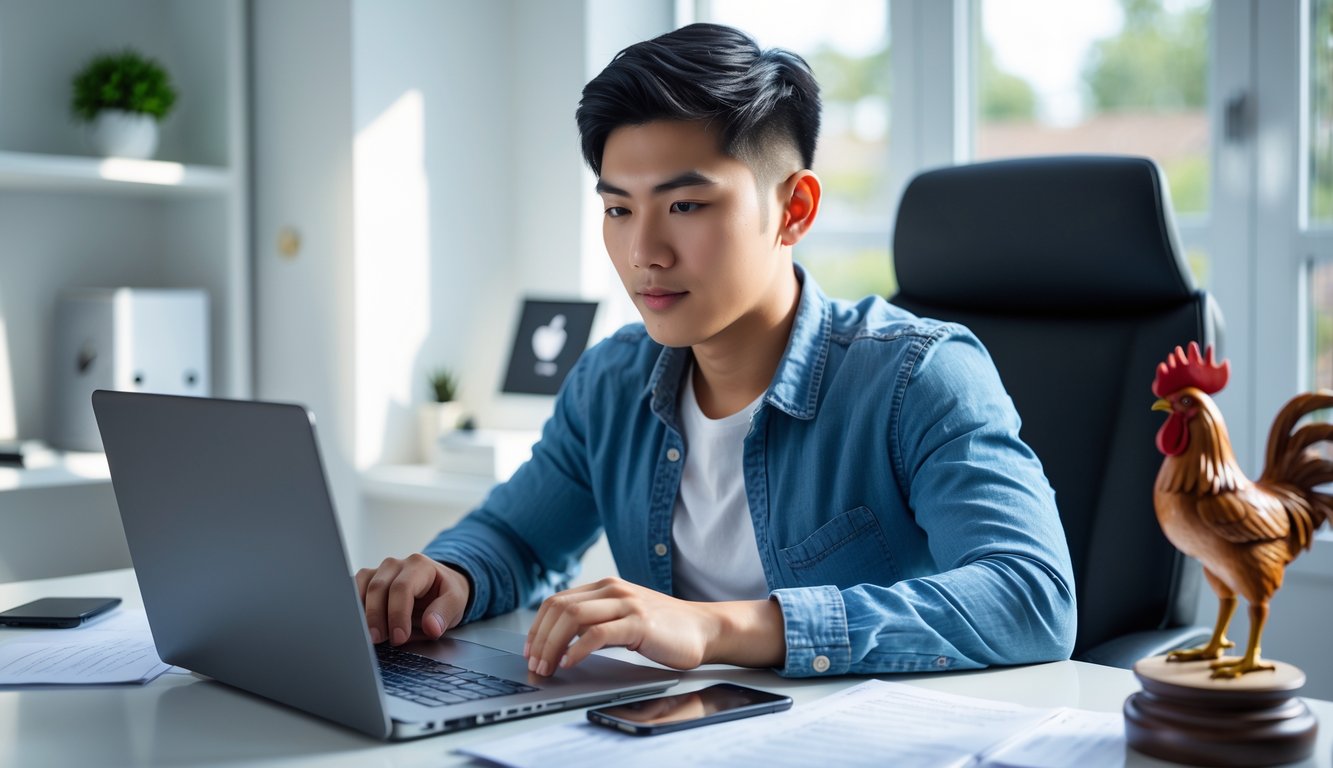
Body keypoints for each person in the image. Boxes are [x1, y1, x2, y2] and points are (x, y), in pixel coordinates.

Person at [357, 23, 1076, 679]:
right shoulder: (610, 381)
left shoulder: (917, 375)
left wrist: (719, 629)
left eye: (685, 206)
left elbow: (1031, 595)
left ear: (793, 209)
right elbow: (515, 538)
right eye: (617, 209)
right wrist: (450, 577)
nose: (643, 252)